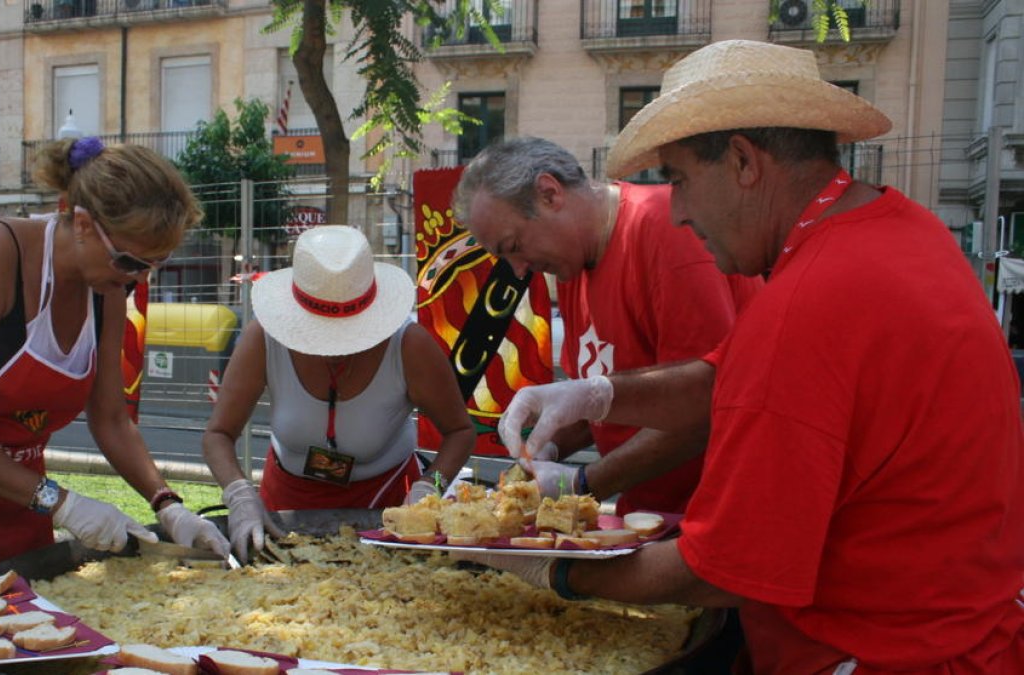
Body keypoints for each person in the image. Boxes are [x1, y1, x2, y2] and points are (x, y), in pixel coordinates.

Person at [458, 40, 1024, 674]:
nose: (678, 212)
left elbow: (724, 571)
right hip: (970, 633)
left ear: (742, 162)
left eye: (678, 179)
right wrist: (596, 395)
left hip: (881, 652)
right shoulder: (901, 227)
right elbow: (723, 378)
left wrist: (553, 569)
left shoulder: (807, 304)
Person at [0, 137, 230, 585]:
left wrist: (168, 505)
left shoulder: (107, 291)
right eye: (129, 260)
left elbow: (111, 418)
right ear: (84, 223)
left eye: (155, 264)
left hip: (17, 498)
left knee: (26, 640)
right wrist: (64, 505)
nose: (137, 278)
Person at [452, 137, 761, 515]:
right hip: (650, 512)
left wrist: (584, 483)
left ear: (550, 193)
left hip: (716, 511)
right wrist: (544, 447)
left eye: (514, 245)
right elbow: (601, 398)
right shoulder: (571, 264)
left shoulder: (665, 230)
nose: (518, 269)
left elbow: (703, 404)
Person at [203, 225, 475, 563]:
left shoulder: (409, 346)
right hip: (287, 498)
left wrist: (427, 488)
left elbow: (460, 432)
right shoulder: (265, 339)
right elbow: (218, 434)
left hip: (387, 502)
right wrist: (239, 495)